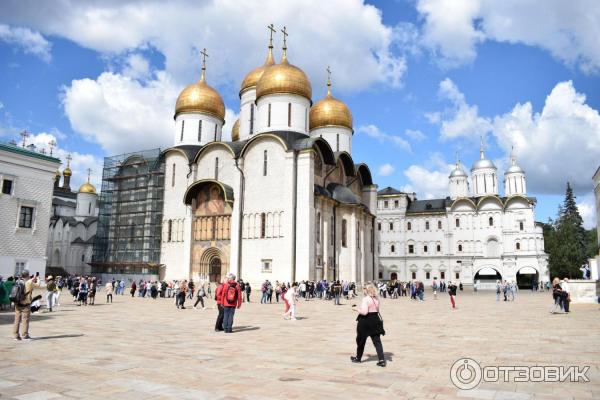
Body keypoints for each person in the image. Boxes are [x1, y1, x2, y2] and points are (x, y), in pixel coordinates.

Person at [351, 283, 386, 367]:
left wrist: (356, 309)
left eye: (364, 288)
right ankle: (381, 360)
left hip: (365, 321)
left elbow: (364, 312)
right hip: (375, 320)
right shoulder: (376, 299)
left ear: (367, 290)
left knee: (361, 340)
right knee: (377, 341)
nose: (363, 290)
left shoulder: (366, 299)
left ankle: (358, 358)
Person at [13, 270, 39, 340]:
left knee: (17, 320)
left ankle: (16, 336)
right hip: (25, 303)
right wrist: (38, 279)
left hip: (17, 303)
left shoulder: (18, 281)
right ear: (28, 275)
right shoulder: (29, 282)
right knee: (25, 320)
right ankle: (24, 335)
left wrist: (32, 279)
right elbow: (38, 285)